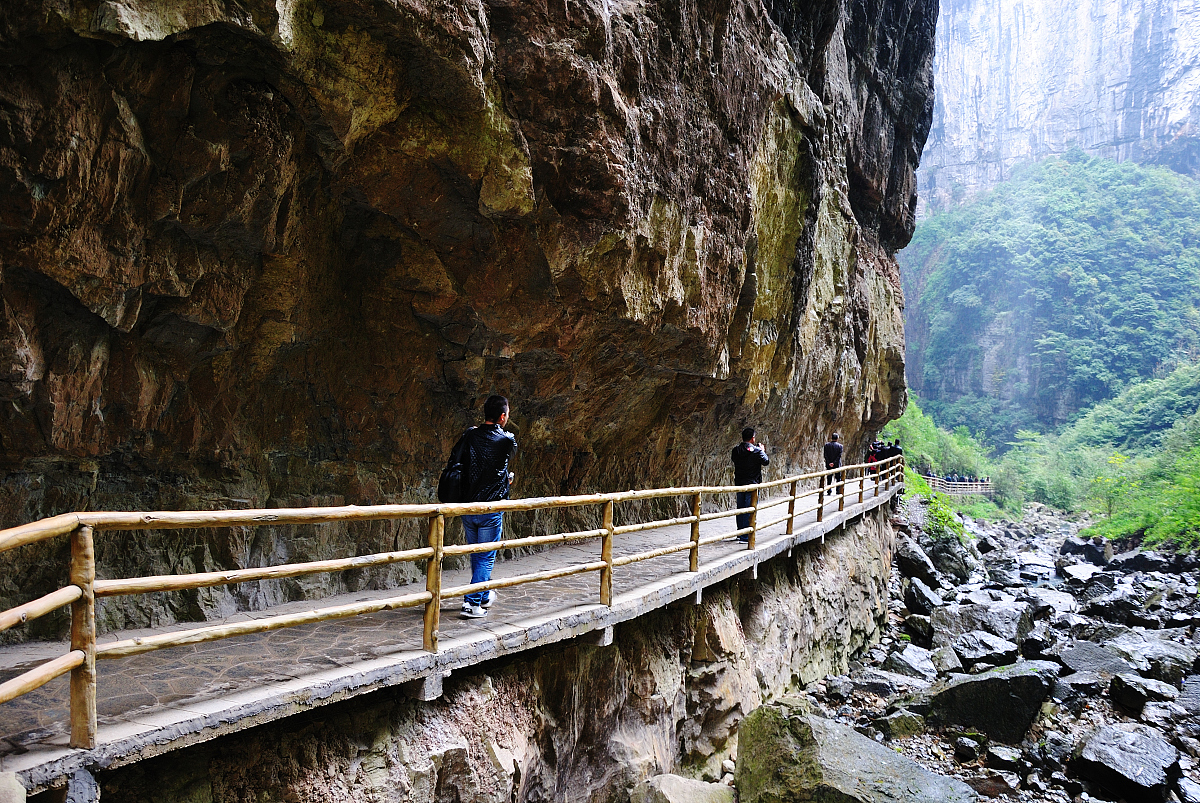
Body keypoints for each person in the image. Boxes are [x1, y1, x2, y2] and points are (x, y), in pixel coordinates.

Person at [454, 395, 518, 619]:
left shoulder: (470, 435)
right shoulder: (507, 439)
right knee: (485, 556)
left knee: (476, 554)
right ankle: (471, 604)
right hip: (490, 509)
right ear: (502, 416)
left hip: (468, 507)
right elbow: (503, 460)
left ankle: (482, 595)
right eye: (507, 414)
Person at [731, 427, 769, 543]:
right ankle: (746, 536)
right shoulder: (757, 451)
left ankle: (740, 533)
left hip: (740, 483)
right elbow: (766, 461)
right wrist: (762, 450)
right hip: (753, 484)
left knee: (741, 509)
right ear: (752, 438)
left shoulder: (736, 450)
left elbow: (735, 459)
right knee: (750, 509)